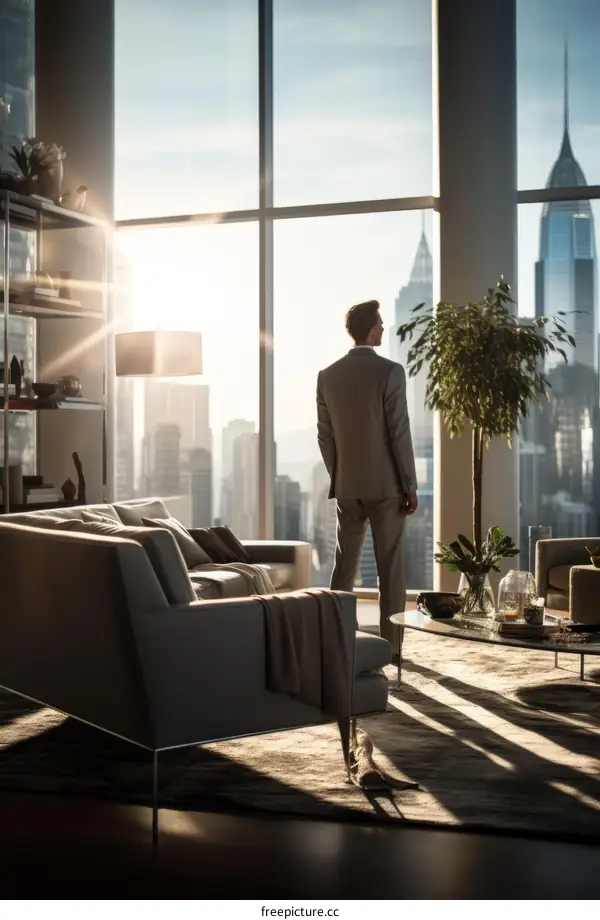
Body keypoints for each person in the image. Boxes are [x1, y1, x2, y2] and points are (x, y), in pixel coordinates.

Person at [316, 299, 418, 644]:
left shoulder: (327, 376)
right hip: (387, 487)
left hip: (347, 485)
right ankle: (392, 648)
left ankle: (336, 641)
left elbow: (325, 436)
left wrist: (340, 474)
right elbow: (399, 432)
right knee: (390, 569)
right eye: (380, 323)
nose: (384, 327)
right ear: (372, 330)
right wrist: (409, 484)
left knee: (344, 566)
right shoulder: (391, 372)